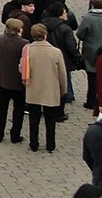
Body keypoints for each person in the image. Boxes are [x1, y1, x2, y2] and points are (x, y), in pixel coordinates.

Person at [23, 23, 68, 153]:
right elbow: (62, 74)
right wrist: (63, 90)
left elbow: (22, 69)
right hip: (51, 91)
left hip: (33, 90)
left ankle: (34, 143)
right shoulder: (55, 52)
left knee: (34, 119)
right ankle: (50, 144)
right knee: (50, 120)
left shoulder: (27, 50)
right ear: (45, 35)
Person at [0, 18, 28, 144]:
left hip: (2, 79)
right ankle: (15, 135)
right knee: (18, 110)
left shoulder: (0, 39)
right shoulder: (24, 43)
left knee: (1, 108)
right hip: (18, 82)